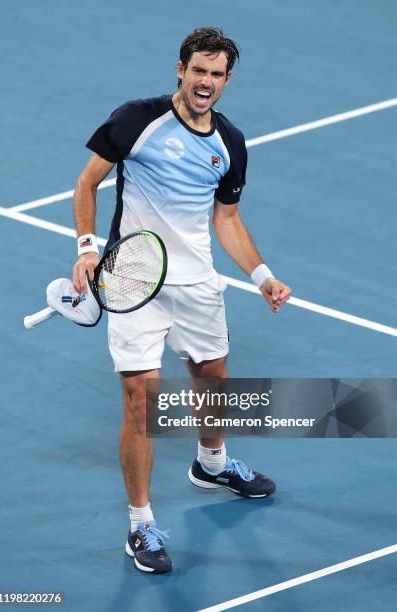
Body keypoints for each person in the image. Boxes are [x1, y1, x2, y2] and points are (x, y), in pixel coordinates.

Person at [72, 27, 292, 574]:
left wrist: (262, 274)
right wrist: (85, 248)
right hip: (133, 280)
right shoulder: (136, 121)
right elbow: (86, 184)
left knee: (212, 378)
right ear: (180, 69)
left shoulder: (230, 144)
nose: (206, 83)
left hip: (196, 284)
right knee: (140, 404)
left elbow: (227, 219)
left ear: (226, 80)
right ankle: (140, 524)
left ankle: (211, 464)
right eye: (199, 71)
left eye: (217, 75)